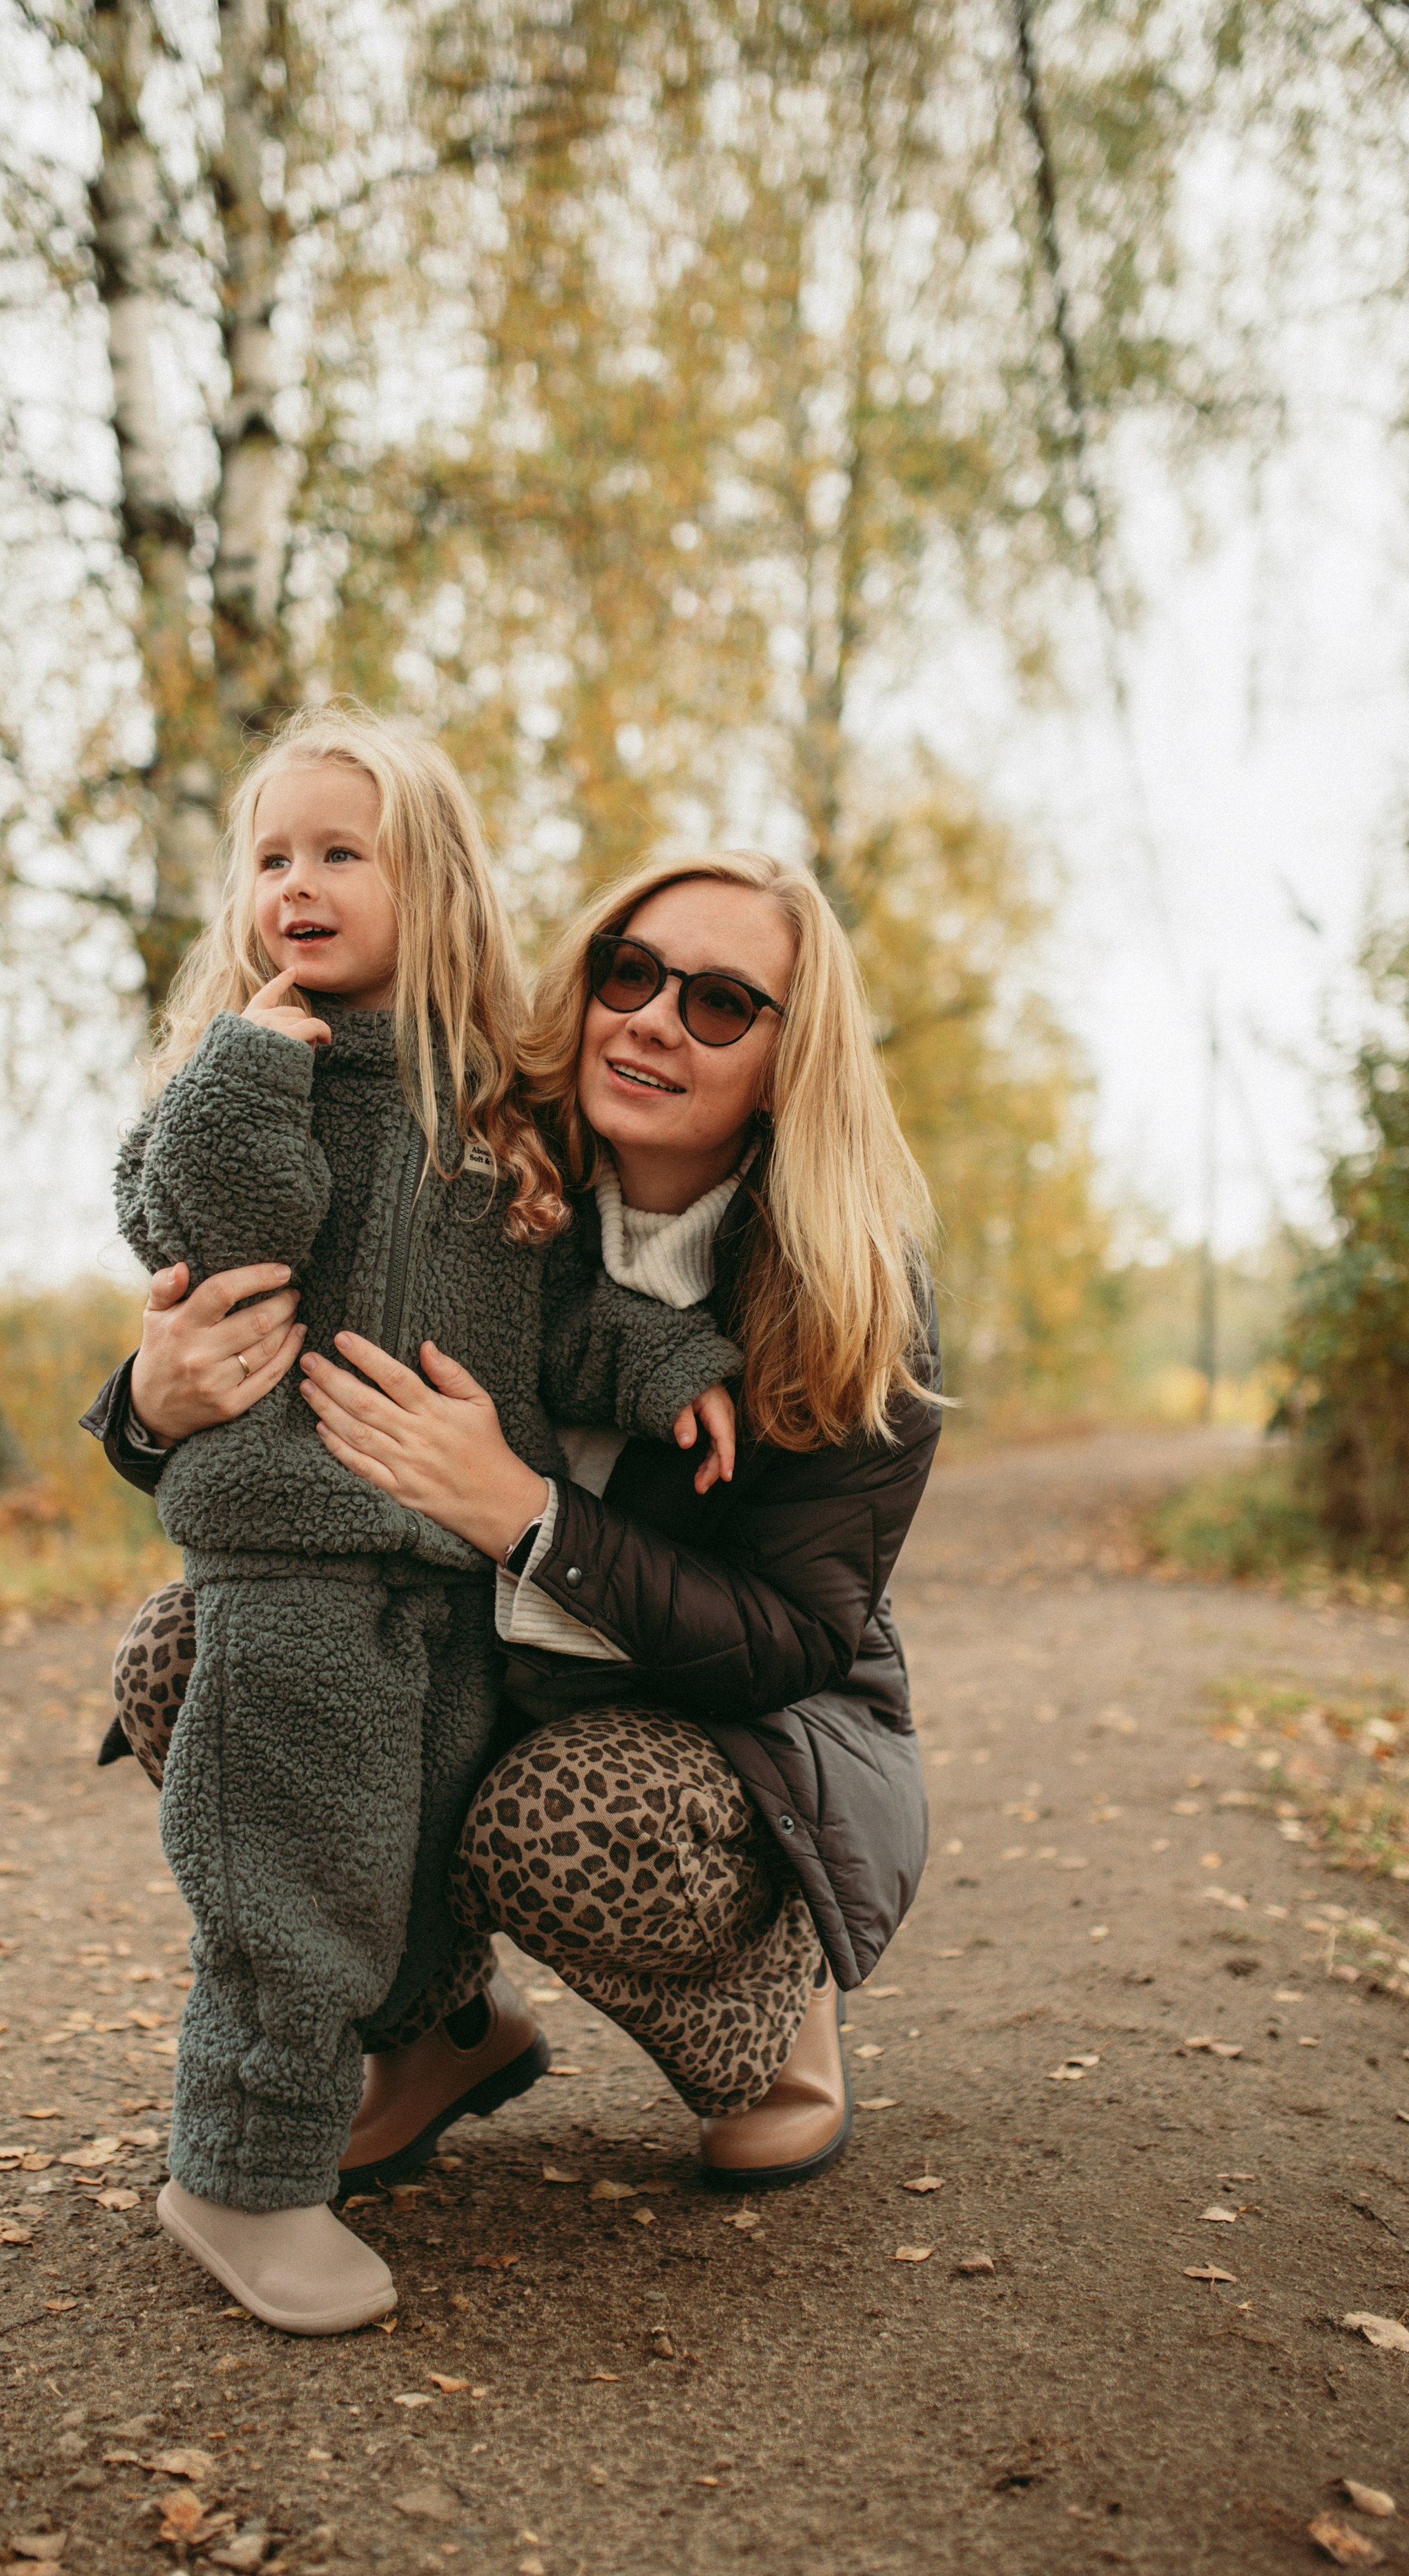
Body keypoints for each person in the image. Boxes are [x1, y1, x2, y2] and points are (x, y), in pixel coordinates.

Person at [91, 844, 940, 2216]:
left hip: (718, 1728)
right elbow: (270, 1343)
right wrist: (146, 1399)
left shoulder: (847, 1283)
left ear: (791, 1061)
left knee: (559, 1826)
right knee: (182, 1657)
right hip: (461, 1654)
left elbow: (790, 1637)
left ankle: (766, 2021)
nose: (655, 1018)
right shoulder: (476, 1149)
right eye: (630, 973)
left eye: (720, 1002)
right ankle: (433, 2028)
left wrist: (520, 1514)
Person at [100, 708, 740, 2336]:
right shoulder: (243, 1076)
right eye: (268, 859)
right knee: (287, 1886)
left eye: (336, 854)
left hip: (447, 1582)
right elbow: (205, 1224)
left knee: (402, 1873)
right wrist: (253, 1062)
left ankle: (436, 2040)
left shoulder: (494, 1111)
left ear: (430, 883)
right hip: (297, 1553)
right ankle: (241, 2173)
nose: (294, 888)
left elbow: (562, 1318)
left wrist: (666, 1360)